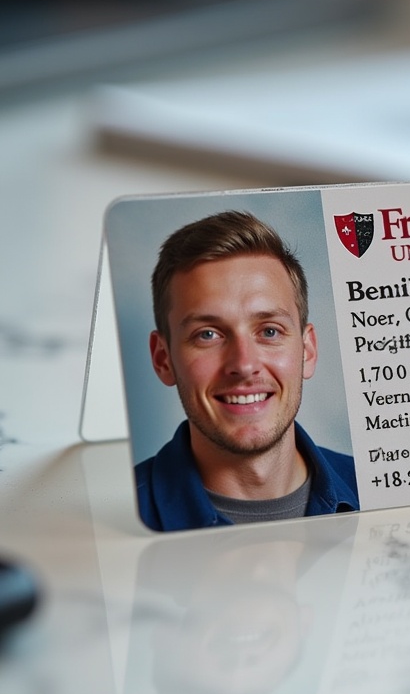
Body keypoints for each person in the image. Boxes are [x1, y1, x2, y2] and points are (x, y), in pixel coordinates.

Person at [135, 210, 358, 531]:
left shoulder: (383, 491)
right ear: (163, 359)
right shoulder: (115, 524)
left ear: (307, 350)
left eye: (269, 331)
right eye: (208, 334)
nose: (244, 365)